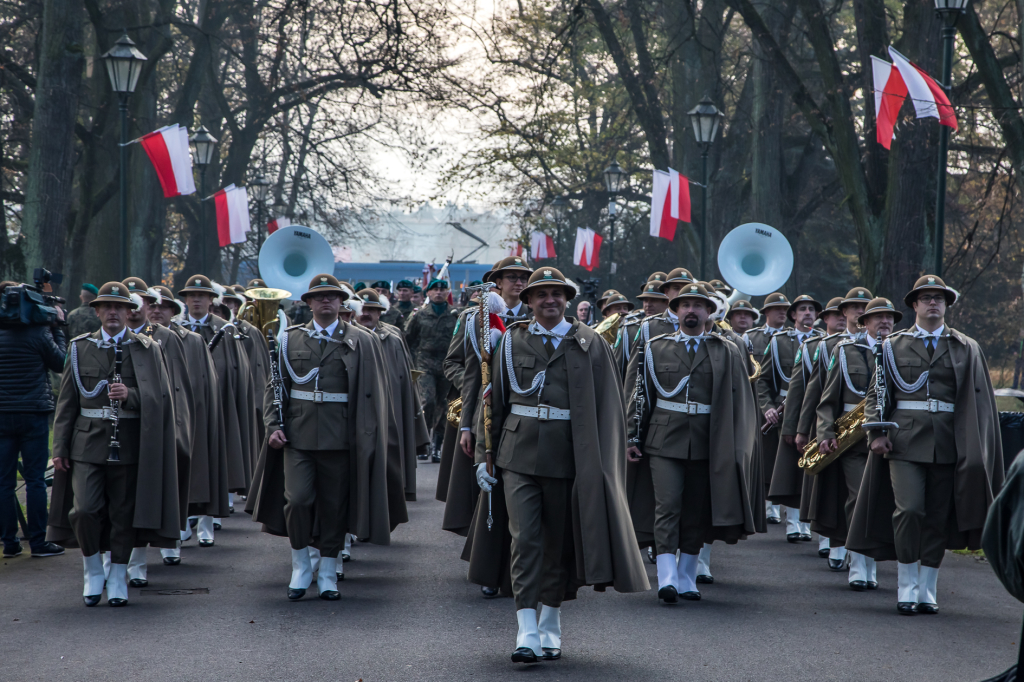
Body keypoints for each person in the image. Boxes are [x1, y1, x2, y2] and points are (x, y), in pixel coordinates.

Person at [482, 267, 648, 663]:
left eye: (557, 293)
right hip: (517, 455)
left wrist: (605, 464)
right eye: (541, 295)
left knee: (556, 544)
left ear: (567, 299)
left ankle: (550, 620)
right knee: (524, 539)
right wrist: (482, 456)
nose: (549, 300)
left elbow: (609, 408)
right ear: (528, 302)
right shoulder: (509, 342)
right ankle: (525, 628)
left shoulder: (590, 343)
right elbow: (494, 403)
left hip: (569, 457)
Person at [848, 275, 1004, 615]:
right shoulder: (892, 345)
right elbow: (877, 394)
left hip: (948, 442)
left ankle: (928, 585)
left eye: (939, 298)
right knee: (909, 509)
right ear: (914, 305)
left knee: (936, 515)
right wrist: (875, 434)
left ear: (946, 304)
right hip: (903, 441)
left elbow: (977, 403)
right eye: (926, 297)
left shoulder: (966, 347)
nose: (933, 302)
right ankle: (906, 582)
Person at [248, 274, 393, 601]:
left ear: (342, 302)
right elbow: (275, 388)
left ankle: (328, 570)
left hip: (341, 437)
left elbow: (374, 393)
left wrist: (368, 437)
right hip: (297, 436)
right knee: (297, 500)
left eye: (332, 296)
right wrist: (273, 426)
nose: (326, 301)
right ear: (308, 303)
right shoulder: (289, 339)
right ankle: (300, 564)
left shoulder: (362, 340)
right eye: (319, 296)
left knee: (333, 506)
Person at [46, 282, 179, 607]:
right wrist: (59, 448)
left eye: (120, 307)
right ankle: (93, 567)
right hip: (87, 442)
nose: (114, 312)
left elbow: (162, 398)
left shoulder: (147, 348)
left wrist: (131, 396)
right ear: (97, 311)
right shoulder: (79, 348)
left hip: (131, 442)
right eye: (107, 307)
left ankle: (118, 573)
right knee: (85, 509)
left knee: (123, 512)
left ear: (129, 311)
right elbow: (67, 404)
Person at [626, 282, 758, 603]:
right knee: (667, 504)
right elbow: (639, 394)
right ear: (676, 310)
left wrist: (737, 446)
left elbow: (738, 401)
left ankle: (687, 575)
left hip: (706, 440)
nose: (691, 310)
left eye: (698, 306)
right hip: (663, 438)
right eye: (685, 305)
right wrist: (632, 435)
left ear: (708, 312)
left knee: (695, 510)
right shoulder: (655, 347)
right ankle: (667, 575)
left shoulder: (724, 349)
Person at [450, 256, 532, 599]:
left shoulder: (536, 317)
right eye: (510, 277)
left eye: (522, 278)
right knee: (491, 493)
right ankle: (489, 567)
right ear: (496, 282)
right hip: (487, 415)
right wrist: (467, 424)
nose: (518, 283)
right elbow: (466, 371)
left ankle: (525, 568)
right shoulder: (476, 319)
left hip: (525, 416)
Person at [811, 297, 898, 591]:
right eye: (877, 318)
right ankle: (861, 564)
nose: (884, 322)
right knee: (859, 497)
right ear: (864, 323)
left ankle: (880, 556)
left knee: (888, 501)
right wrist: (825, 433)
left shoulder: (900, 349)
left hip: (895, 439)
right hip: (855, 441)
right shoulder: (845, 350)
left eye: (889, 317)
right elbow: (827, 399)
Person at [119, 278, 195, 584]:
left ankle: (148, 557)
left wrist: (177, 429)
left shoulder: (164, 337)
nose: (137, 308)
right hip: (117, 430)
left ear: (150, 306)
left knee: (153, 493)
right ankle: (116, 562)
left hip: (155, 425)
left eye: (143, 301)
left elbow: (176, 387)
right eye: (131, 302)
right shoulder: (110, 338)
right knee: (121, 499)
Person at [148, 285, 229, 564]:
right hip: (148, 420)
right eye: (151, 305)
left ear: (173, 310)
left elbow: (205, 382)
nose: (156, 311)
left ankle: (186, 530)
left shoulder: (189, 340)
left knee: (189, 474)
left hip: (187, 415)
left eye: (163, 306)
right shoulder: (139, 339)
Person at [177, 275, 257, 542]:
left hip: (216, 406)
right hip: (181, 408)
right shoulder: (174, 330)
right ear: (185, 300)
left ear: (212, 300)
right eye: (191, 296)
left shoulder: (227, 329)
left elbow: (238, 372)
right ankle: (182, 518)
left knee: (211, 463)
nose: (196, 300)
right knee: (181, 462)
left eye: (202, 295)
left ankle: (206, 524)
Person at [793, 288, 870, 561]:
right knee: (837, 491)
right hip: (839, 429)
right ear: (844, 312)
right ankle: (839, 545)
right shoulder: (828, 346)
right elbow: (814, 392)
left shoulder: (888, 345)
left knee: (864, 494)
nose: (860, 311)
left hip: (874, 431)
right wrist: (803, 430)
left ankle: (861, 552)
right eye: (854, 306)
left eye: (865, 306)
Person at [0, 281, 67, 559]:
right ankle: (39, 543)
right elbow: (62, 363)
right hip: (33, 414)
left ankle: (10, 542)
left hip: (2, 414)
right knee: (35, 479)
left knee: (3, 482)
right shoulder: (39, 332)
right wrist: (58, 328)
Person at [763, 294, 824, 542]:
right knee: (790, 466)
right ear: (793, 315)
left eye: (812, 309)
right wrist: (766, 406)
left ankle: (806, 522)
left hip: (816, 410)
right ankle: (792, 522)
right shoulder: (778, 342)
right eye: (802, 309)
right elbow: (764, 380)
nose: (808, 313)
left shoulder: (825, 342)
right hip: (784, 409)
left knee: (811, 464)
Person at [745, 292, 790, 523]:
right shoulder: (752, 337)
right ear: (765, 313)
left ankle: (780, 505)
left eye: (785, 309)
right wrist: (765, 405)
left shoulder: (794, 339)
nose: (782, 312)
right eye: (776, 309)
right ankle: (767, 504)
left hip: (786, 404)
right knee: (765, 456)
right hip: (760, 404)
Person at [405, 278, 461, 460]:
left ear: (447, 293)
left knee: (445, 406)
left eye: (442, 289)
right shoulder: (419, 315)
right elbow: (408, 340)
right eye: (434, 289)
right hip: (425, 364)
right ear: (427, 293)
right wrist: (411, 364)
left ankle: (437, 445)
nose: (438, 292)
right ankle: (424, 440)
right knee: (427, 402)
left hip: (448, 365)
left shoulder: (455, 315)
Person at [613, 274, 669, 377]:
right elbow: (618, 368)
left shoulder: (678, 327)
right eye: (645, 300)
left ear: (667, 302)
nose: (648, 305)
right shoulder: (631, 329)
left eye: (654, 300)